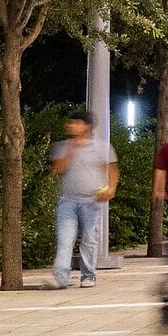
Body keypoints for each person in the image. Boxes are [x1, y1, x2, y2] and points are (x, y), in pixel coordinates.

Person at [49, 110, 118, 289]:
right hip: (67, 201)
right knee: (65, 239)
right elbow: (56, 170)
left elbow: (111, 169)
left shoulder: (101, 147)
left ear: (87, 126)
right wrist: (71, 151)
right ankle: (61, 277)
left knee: (89, 239)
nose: (72, 126)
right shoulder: (62, 147)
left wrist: (111, 188)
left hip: (92, 201)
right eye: (71, 123)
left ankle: (88, 276)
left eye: (77, 123)